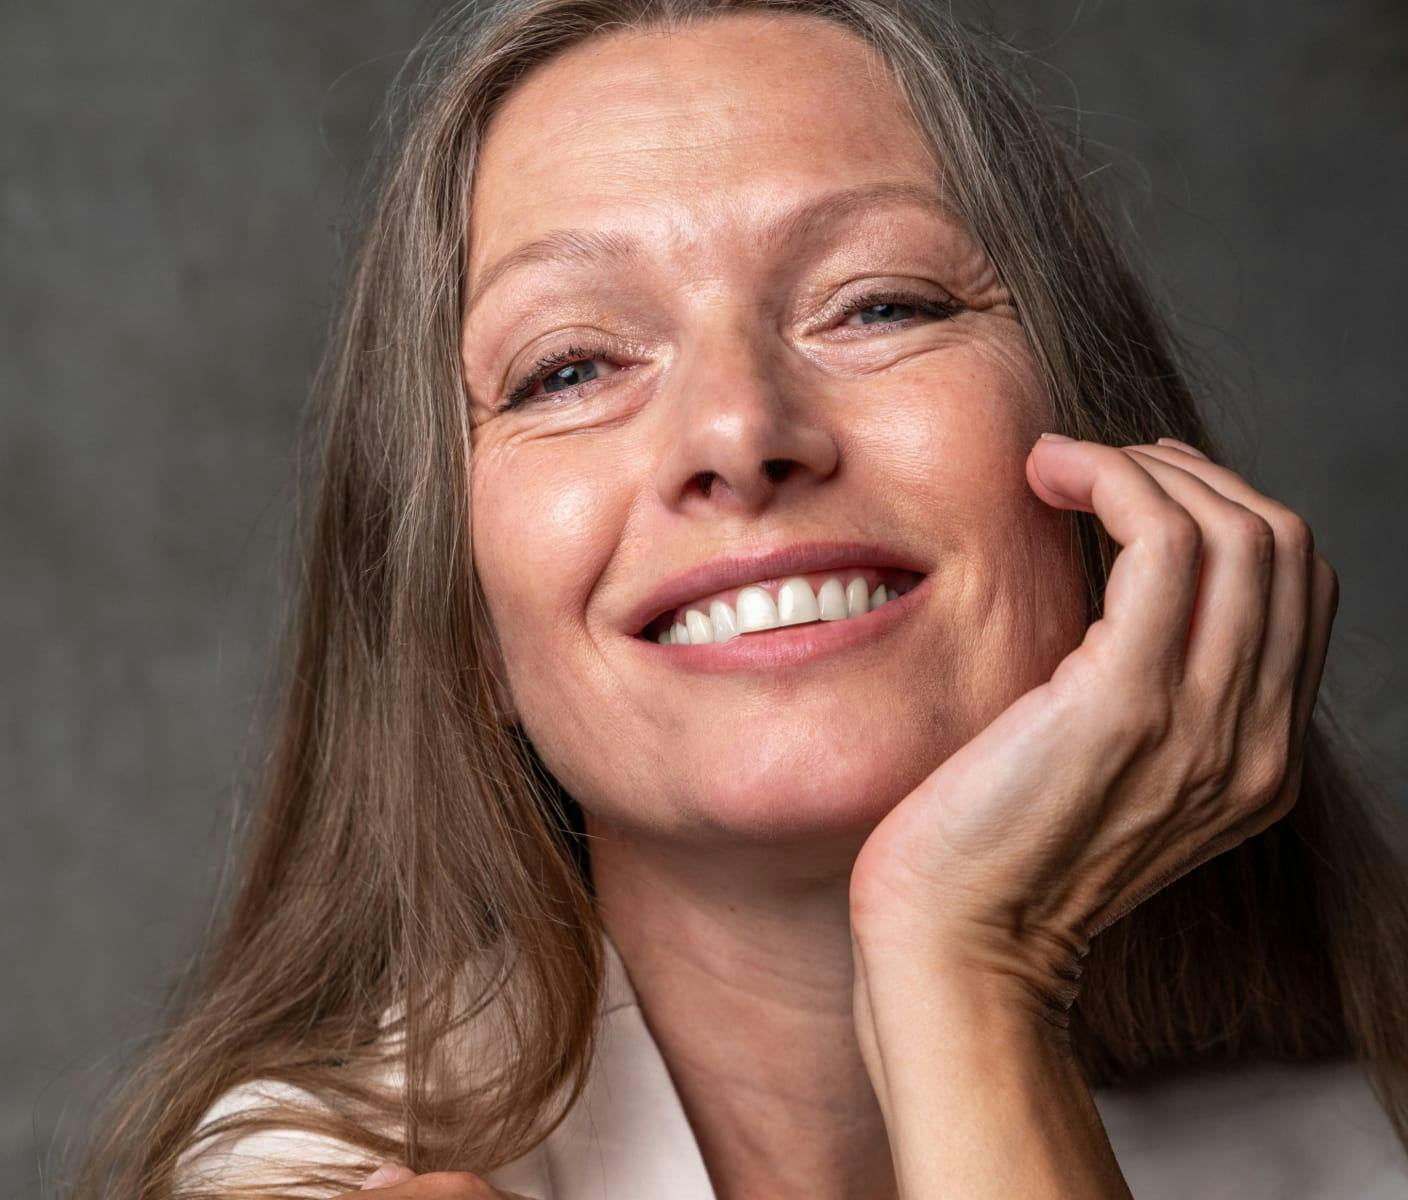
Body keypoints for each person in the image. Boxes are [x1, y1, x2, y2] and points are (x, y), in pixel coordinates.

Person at [66, 0, 1408, 1197]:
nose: (738, 430)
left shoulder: (1370, 1124)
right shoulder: (326, 1184)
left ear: (1108, 467)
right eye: (569, 369)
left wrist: (965, 964)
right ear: (460, 613)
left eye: (877, 305)